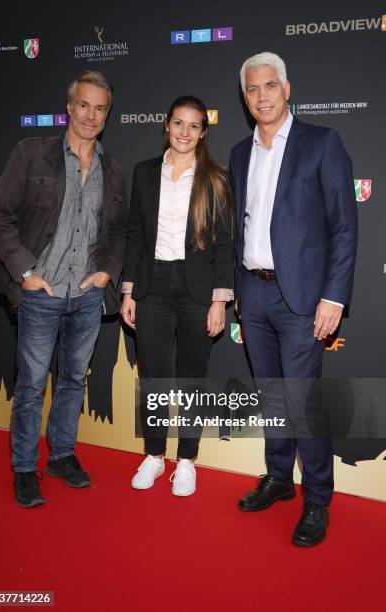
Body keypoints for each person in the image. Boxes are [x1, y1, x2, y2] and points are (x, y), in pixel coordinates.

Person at [230, 52, 358, 546]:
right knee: (272, 397)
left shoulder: (321, 143)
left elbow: (344, 228)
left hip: (304, 296)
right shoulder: (241, 153)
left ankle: (318, 500)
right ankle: (279, 478)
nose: (261, 96)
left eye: (269, 86)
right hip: (253, 293)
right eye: (252, 89)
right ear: (245, 98)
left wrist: (334, 296)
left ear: (287, 89)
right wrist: (239, 289)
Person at [0, 71, 128, 508]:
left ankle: (62, 455)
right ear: (69, 107)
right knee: (30, 386)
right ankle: (25, 468)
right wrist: (25, 272)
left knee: (72, 382)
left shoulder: (114, 172)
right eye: (83, 105)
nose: (90, 115)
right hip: (41, 293)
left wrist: (106, 272)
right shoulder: (32, 155)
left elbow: (121, 232)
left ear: (107, 115)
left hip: (86, 295)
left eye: (99, 108)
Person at [121, 95, 234, 496]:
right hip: (152, 286)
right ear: (166, 126)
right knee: (152, 377)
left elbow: (224, 244)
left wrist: (220, 300)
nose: (185, 132)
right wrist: (129, 290)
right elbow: (134, 234)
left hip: (196, 291)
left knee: (191, 378)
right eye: (178, 124)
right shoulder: (144, 173)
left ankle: (186, 460)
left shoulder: (216, 178)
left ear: (203, 132)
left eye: (194, 126)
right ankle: (154, 455)